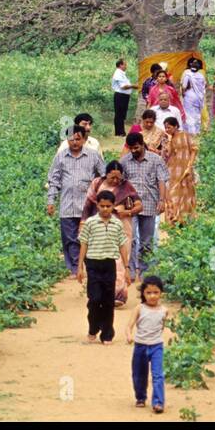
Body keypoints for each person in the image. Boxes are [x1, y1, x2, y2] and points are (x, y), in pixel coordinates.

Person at [79, 161, 142, 304]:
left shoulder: (127, 186)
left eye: (118, 178)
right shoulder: (96, 183)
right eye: (112, 177)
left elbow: (139, 205)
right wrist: (83, 223)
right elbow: (88, 204)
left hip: (121, 226)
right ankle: (102, 293)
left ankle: (119, 294)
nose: (115, 181)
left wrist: (127, 211)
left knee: (119, 261)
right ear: (105, 174)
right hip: (98, 226)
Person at [46, 128, 105, 278]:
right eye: (71, 139)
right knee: (69, 238)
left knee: (90, 237)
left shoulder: (93, 156)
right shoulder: (60, 157)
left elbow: (104, 176)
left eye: (78, 139)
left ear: (84, 139)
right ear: (67, 140)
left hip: (88, 206)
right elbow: (54, 180)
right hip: (67, 205)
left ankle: (90, 266)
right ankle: (74, 268)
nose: (74, 142)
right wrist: (51, 201)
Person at [77, 190, 131, 344]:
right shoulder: (90, 222)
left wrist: (127, 268)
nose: (105, 209)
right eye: (102, 206)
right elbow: (84, 244)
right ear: (97, 205)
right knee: (94, 299)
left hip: (109, 265)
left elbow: (122, 246)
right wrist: (80, 267)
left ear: (113, 206)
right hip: (93, 264)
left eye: (108, 206)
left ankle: (107, 333)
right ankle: (93, 327)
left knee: (108, 301)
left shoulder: (117, 224)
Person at [119, 132, 169, 278]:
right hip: (131, 206)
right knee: (131, 239)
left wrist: (162, 200)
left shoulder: (156, 160)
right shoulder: (124, 161)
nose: (133, 151)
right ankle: (132, 271)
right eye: (131, 148)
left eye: (136, 148)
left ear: (142, 144)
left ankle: (145, 270)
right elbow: (121, 183)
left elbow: (161, 181)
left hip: (149, 204)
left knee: (147, 242)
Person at [127, 275, 168, 413]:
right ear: (143, 293)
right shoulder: (139, 308)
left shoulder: (164, 311)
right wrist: (128, 335)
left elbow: (163, 326)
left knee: (158, 375)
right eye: (148, 293)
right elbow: (129, 325)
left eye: (156, 292)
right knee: (139, 374)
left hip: (157, 346)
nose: (152, 296)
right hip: (140, 346)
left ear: (161, 293)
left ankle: (158, 402)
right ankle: (140, 397)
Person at [161, 115, 196, 224]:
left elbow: (194, 150)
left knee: (185, 193)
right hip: (173, 170)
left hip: (185, 169)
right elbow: (168, 155)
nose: (167, 130)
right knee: (171, 193)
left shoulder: (185, 135)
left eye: (169, 127)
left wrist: (189, 166)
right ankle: (173, 218)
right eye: (165, 128)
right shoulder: (171, 140)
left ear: (176, 126)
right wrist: (165, 146)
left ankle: (184, 219)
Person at [180, 58, 206, 135]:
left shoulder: (188, 75)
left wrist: (183, 94)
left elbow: (184, 86)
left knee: (189, 114)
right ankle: (197, 131)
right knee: (197, 114)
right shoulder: (201, 76)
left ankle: (191, 133)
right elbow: (204, 86)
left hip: (189, 97)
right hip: (199, 97)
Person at [111, 59, 134, 137]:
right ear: (120, 65)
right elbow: (123, 86)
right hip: (120, 95)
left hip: (124, 96)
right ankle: (119, 132)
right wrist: (134, 86)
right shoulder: (118, 73)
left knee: (122, 114)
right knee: (119, 114)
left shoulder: (122, 73)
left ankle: (121, 131)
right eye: (125, 64)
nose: (126, 66)